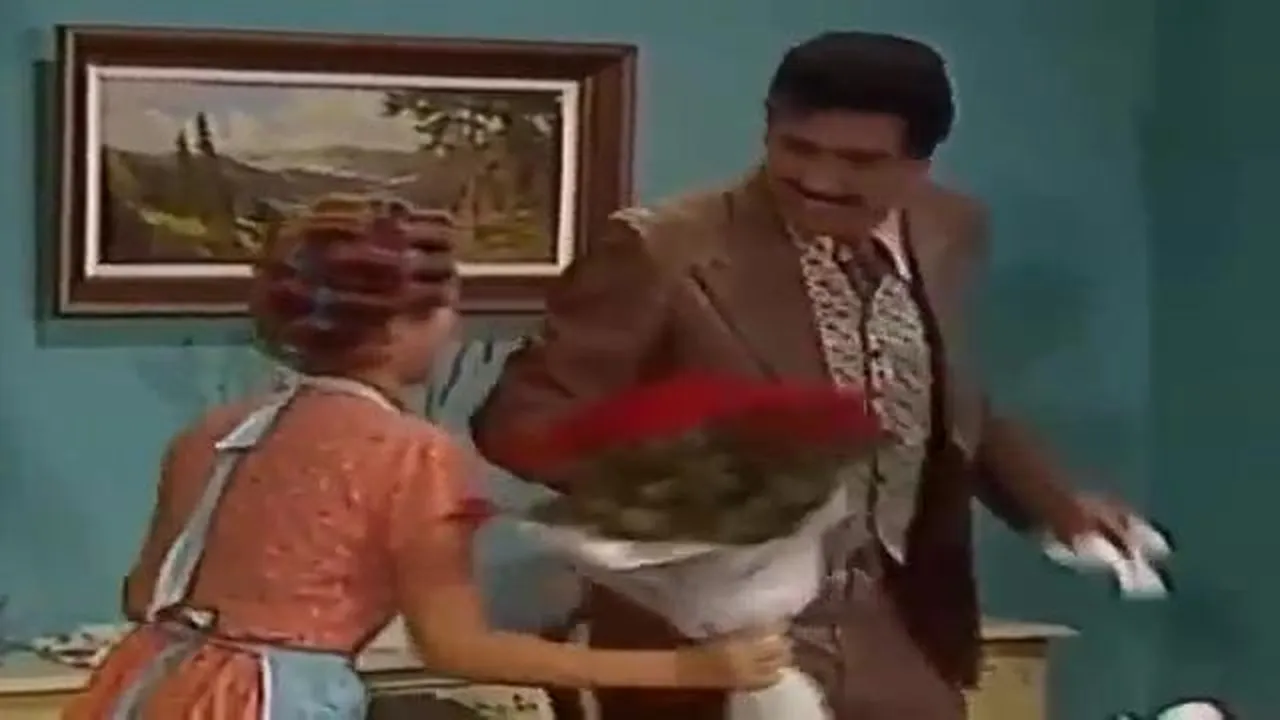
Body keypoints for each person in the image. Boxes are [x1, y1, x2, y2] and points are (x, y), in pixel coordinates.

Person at [472, 31, 1149, 720]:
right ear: (768, 126)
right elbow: (521, 424)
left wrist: (1052, 504)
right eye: (797, 149)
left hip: (898, 622)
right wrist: (697, 495)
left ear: (918, 163)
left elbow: (941, 394)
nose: (821, 179)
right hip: (708, 639)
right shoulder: (662, 248)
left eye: (860, 161)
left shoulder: (949, 230)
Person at [65, 198, 790, 719]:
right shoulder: (414, 453)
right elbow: (456, 647)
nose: (455, 326)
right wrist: (687, 668)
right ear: (397, 329)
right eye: (449, 307)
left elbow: (143, 595)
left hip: (146, 686)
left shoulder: (220, 430)